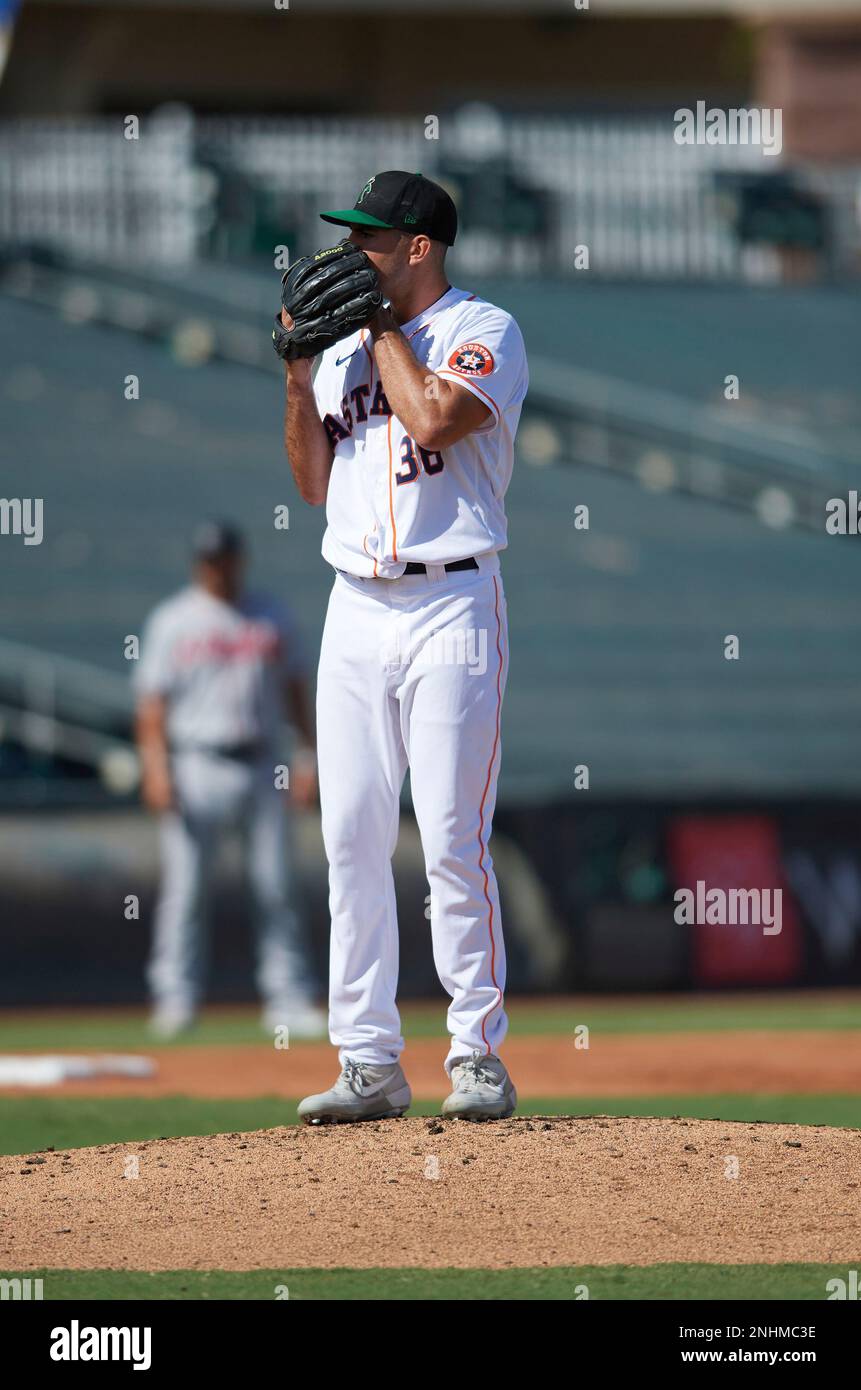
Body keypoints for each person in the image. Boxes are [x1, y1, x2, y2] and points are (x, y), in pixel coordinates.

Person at [280, 171, 529, 1121]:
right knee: (348, 837)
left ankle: (476, 1055)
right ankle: (369, 1060)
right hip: (354, 605)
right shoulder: (343, 353)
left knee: (453, 842)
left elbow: (432, 416)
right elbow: (310, 481)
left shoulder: (485, 330)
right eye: (352, 237)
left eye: (372, 239)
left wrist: (378, 325)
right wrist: (300, 375)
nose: (354, 253)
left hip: (451, 606)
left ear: (420, 247)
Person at [134, 520, 324, 1038]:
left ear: (240, 559)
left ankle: (287, 997)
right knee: (187, 888)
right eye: (210, 560)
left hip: (265, 762)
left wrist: (307, 757)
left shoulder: (270, 614)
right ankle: (176, 997)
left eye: (226, 558)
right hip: (197, 761)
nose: (219, 568)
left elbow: (295, 693)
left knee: (276, 885)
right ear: (200, 564)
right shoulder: (174, 619)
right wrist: (156, 769)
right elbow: (152, 705)